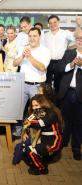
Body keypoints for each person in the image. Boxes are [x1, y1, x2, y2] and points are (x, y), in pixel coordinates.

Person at [13, 27, 51, 138]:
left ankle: (34, 134)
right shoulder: (23, 48)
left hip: (37, 86)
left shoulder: (45, 50)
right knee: (18, 109)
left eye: (34, 36)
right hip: (22, 84)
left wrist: (29, 57)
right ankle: (17, 132)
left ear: (39, 37)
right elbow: (15, 63)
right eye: (30, 36)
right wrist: (22, 56)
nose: (32, 38)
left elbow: (42, 67)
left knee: (37, 112)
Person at [55, 31, 82, 160]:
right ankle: (63, 142)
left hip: (80, 94)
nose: (80, 40)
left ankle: (76, 147)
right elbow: (58, 68)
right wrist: (71, 65)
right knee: (65, 120)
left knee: (79, 122)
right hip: (66, 92)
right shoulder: (69, 53)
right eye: (78, 38)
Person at [22, 94, 62, 175]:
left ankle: (42, 168)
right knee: (24, 149)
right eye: (33, 106)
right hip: (44, 139)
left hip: (53, 141)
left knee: (29, 150)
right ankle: (42, 161)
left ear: (43, 103)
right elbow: (27, 120)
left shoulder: (51, 113)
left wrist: (29, 122)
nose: (34, 108)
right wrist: (26, 131)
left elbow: (39, 124)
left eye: (36, 105)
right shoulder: (39, 111)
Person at [44, 15, 82, 94]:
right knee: (47, 86)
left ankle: (59, 105)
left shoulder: (65, 33)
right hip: (48, 63)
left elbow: (77, 35)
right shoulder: (45, 35)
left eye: (55, 22)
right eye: (50, 23)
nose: (53, 24)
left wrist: (78, 25)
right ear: (48, 24)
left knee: (60, 85)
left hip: (61, 63)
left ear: (58, 22)